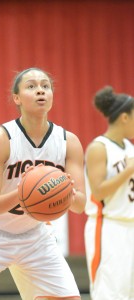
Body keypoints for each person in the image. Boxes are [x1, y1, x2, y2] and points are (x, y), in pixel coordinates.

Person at [0, 67, 86, 300]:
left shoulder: (69, 142)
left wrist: (65, 191)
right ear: (17, 98)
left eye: (45, 86)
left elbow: (79, 205)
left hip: (33, 235)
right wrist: (25, 191)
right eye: (31, 86)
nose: (40, 91)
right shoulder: (1, 139)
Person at [84, 86, 134, 300]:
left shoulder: (129, 147)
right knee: (110, 294)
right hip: (108, 227)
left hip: (130, 225)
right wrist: (130, 169)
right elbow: (98, 191)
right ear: (124, 117)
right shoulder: (99, 147)